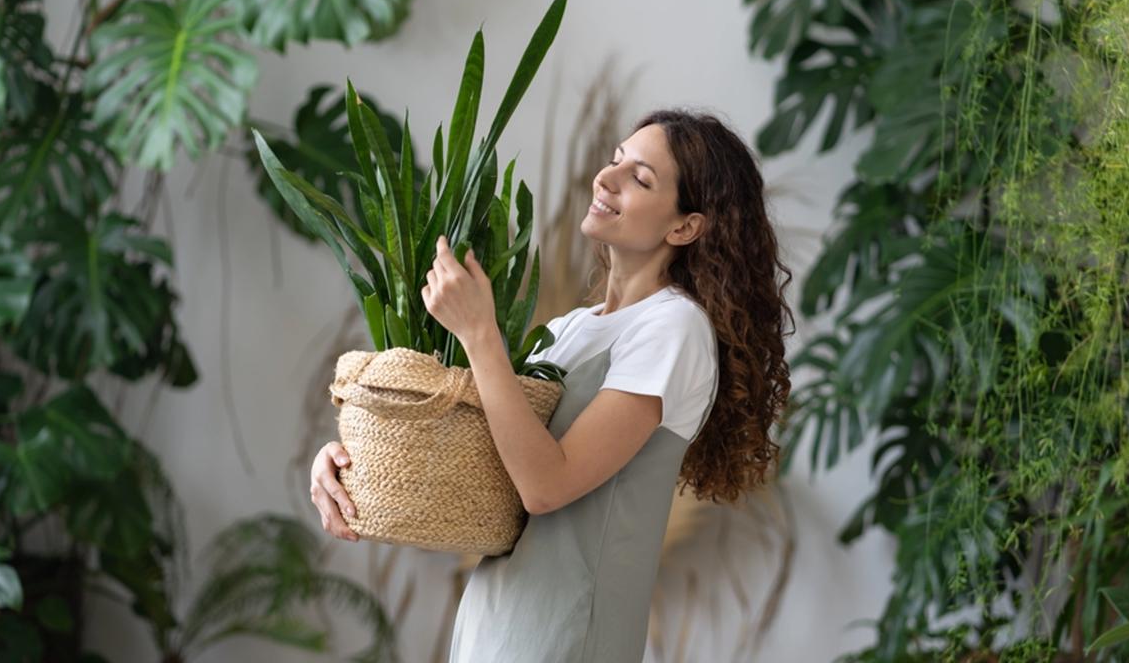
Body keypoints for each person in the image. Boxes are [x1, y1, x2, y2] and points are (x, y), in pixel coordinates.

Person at [308, 108, 796, 662]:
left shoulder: (674, 328)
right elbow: (485, 468)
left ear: (684, 227)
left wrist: (479, 333)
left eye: (639, 178)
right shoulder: (569, 332)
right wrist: (354, 463)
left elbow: (546, 486)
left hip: (565, 637)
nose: (606, 179)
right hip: (493, 625)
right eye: (614, 161)